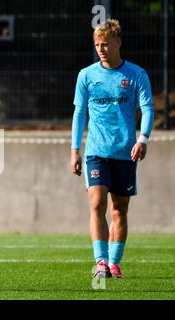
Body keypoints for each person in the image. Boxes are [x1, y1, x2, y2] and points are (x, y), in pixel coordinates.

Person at [71, 19, 154, 279]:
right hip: (96, 151)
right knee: (97, 204)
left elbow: (148, 108)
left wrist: (143, 139)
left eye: (105, 44)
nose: (101, 49)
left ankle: (115, 263)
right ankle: (101, 262)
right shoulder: (86, 75)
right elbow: (79, 112)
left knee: (120, 209)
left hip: (125, 152)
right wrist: (75, 149)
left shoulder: (136, 75)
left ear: (118, 42)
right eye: (97, 45)